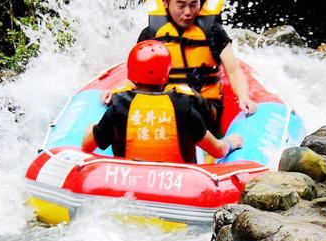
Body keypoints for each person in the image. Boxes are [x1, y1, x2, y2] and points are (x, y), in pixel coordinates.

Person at [137, 0, 258, 135]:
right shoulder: (151, 34)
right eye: (181, 5)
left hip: (205, 107)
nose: (188, 12)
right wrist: (117, 94)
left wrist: (244, 97)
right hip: (163, 107)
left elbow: (234, 71)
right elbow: (136, 76)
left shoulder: (213, 32)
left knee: (184, 102)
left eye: (194, 4)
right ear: (166, 1)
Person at [82, 40, 242, 163]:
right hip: (182, 189)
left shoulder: (118, 107)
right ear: (166, 74)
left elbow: (86, 146)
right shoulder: (183, 107)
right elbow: (218, 150)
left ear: (131, 74)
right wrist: (230, 142)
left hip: (128, 186)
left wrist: (91, 128)